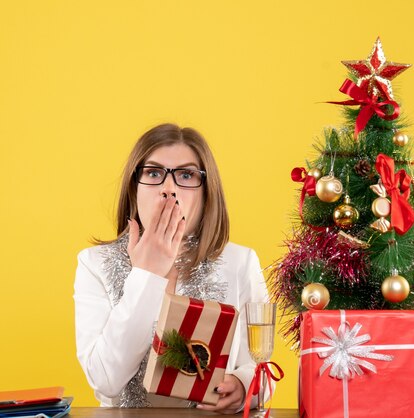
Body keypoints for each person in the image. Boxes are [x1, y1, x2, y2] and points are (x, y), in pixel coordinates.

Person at [74, 123, 270, 413]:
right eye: (153, 173)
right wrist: (147, 275)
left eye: (186, 175)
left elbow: (262, 366)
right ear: (134, 187)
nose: (168, 189)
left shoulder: (241, 263)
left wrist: (244, 386)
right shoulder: (94, 264)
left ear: (206, 193)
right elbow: (106, 380)